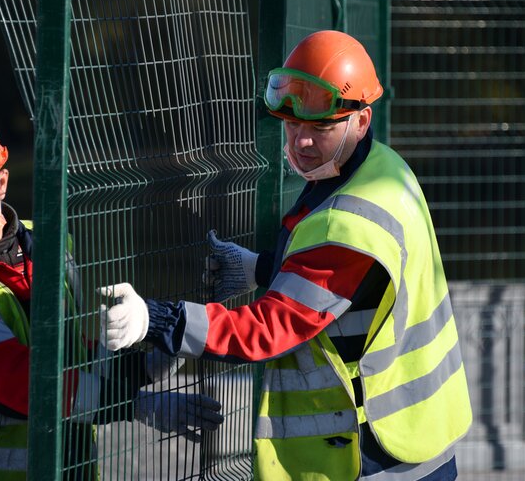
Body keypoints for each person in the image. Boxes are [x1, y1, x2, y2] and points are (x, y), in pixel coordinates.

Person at [100, 30, 473, 480]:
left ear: (361, 119)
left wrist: (157, 320)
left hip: (373, 453)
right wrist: (260, 267)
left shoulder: (348, 219)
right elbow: (344, 289)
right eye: (292, 125)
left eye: (320, 128)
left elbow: (267, 330)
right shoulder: (382, 169)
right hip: (418, 433)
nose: (301, 141)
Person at [0, 107, 223, 481]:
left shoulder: (49, 246)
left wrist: (140, 366)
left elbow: (67, 356)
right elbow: (18, 380)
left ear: (2, 181)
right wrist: (134, 404)